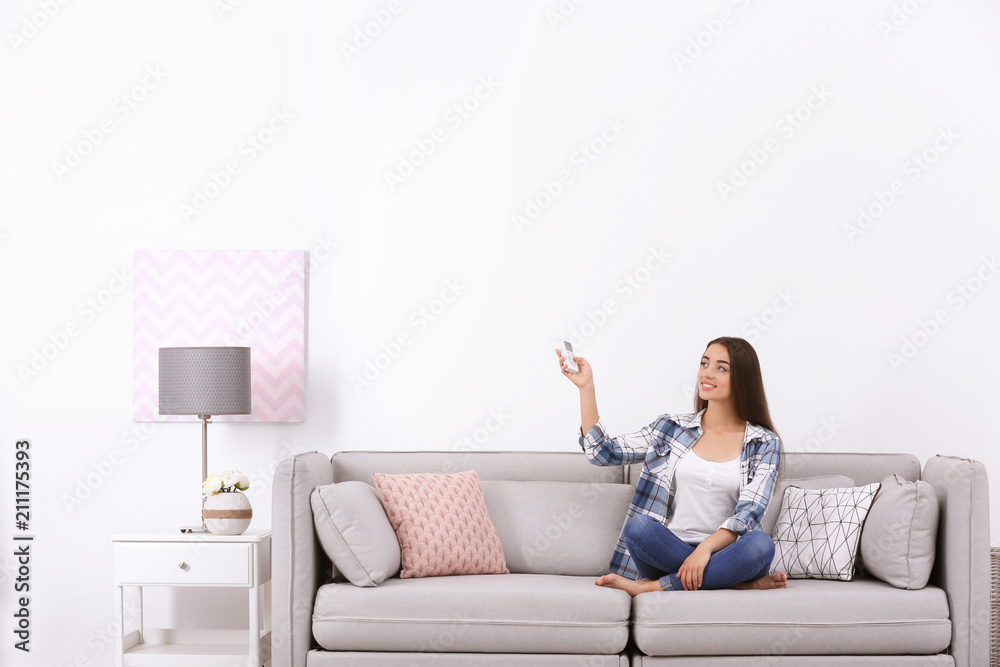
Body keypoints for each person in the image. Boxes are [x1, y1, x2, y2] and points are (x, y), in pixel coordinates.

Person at [556, 336, 788, 596]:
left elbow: (750, 513)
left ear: (743, 380)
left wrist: (705, 549)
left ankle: (653, 587)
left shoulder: (764, 442)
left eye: (721, 368)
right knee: (639, 527)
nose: (707, 373)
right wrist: (586, 388)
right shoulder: (671, 428)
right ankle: (733, 582)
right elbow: (602, 453)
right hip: (668, 551)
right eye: (704, 363)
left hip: (728, 553)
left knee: (760, 545)